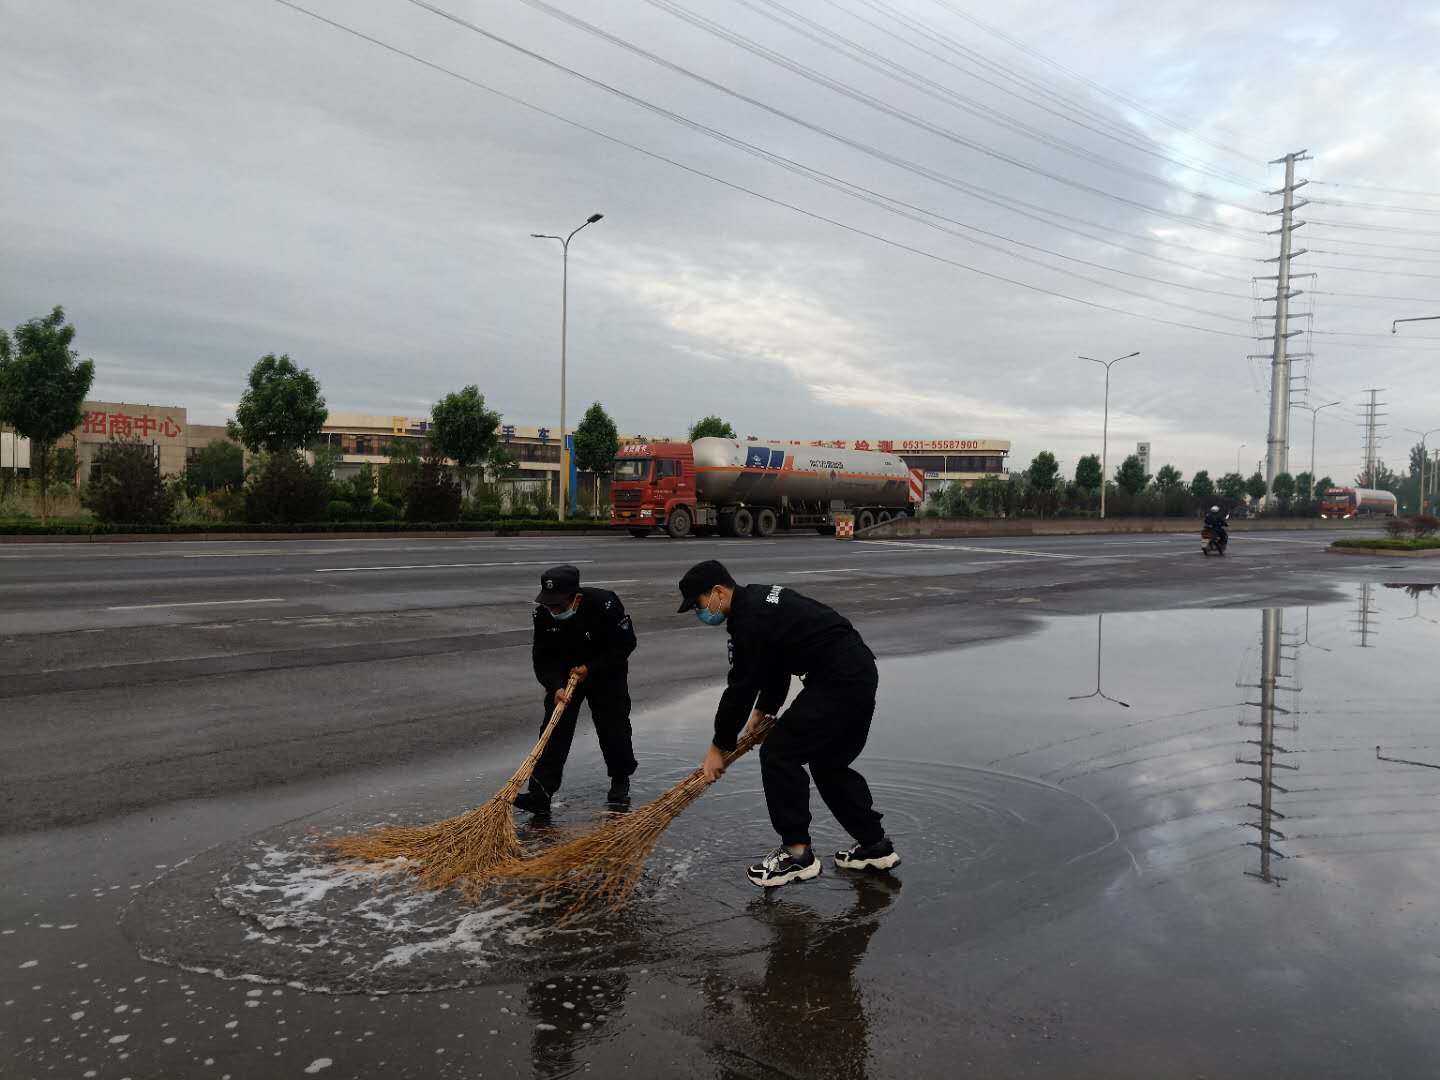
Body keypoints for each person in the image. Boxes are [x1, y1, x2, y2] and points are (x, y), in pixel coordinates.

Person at [676, 559, 900, 887]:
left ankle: (797, 855)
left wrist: (718, 746)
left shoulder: (748, 620)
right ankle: (874, 846)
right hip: (858, 670)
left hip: (836, 680)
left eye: (698, 605)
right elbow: (775, 662)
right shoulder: (758, 601)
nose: (700, 614)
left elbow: (740, 687)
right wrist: (763, 711)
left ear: (718, 592)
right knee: (829, 764)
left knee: (779, 754)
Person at [515, 564, 638, 815]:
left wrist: (590, 669)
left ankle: (620, 778)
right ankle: (540, 792)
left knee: (613, 725)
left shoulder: (605, 605)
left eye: (558, 605)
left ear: (576, 598)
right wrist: (555, 686)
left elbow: (624, 645)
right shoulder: (543, 615)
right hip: (565, 676)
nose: (553, 610)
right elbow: (542, 658)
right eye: (549, 604)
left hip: (605, 672)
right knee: (553, 729)